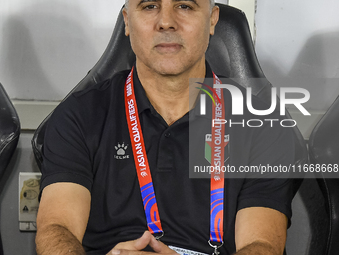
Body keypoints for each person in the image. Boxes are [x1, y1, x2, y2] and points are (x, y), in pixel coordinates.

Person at [35, 0, 296, 254]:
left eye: (185, 6)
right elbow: (56, 229)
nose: (166, 22)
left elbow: (262, 246)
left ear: (212, 20)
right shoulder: (79, 116)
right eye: (150, 6)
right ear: (127, 21)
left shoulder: (263, 126)